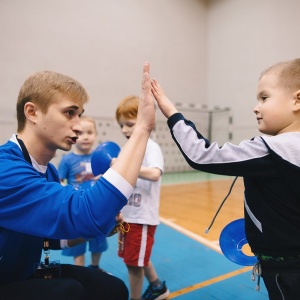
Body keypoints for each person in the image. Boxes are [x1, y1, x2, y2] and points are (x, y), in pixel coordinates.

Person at [0, 62, 155, 300]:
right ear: (32, 112)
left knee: (111, 288)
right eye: (69, 113)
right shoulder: (5, 169)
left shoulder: (48, 171)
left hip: (20, 274)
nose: (78, 125)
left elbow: (51, 240)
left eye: (79, 115)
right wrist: (142, 128)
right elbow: (84, 213)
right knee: (68, 292)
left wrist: (102, 225)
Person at [151, 58, 300, 300]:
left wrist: (172, 114)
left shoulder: (269, 149)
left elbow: (202, 155)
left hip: (285, 274)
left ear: (297, 100)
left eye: (264, 98)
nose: (256, 107)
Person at [114, 95, 170, 300]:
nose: (124, 130)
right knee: (136, 257)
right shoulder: (126, 149)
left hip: (142, 217)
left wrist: (127, 166)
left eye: (129, 124)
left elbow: (155, 173)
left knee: (133, 263)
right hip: (127, 216)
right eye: (121, 126)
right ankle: (157, 287)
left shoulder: (150, 147)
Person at [58, 116, 109, 270]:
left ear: (96, 134)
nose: (86, 136)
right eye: (81, 133)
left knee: (98, 243)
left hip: (97, 209)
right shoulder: (67, 160)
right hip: (78, 211)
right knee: (77, 246)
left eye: (90, 132)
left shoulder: (101, 157)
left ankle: (95, 267)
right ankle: (81, 273)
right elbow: (59, 181)